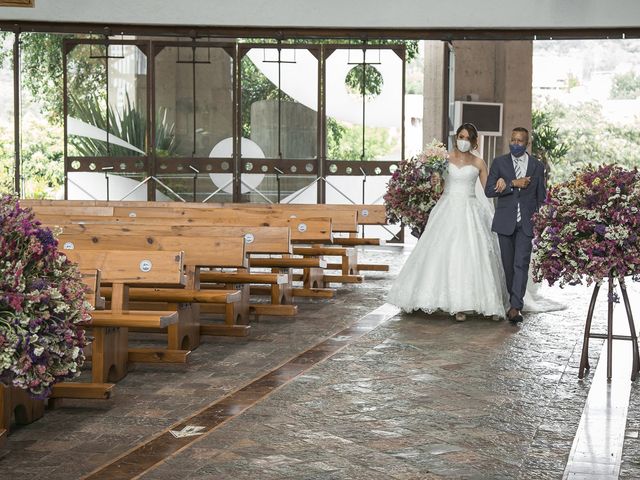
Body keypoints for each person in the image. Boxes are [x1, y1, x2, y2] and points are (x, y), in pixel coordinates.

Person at [387, 123, 509, 321]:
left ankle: (463, 304)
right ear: (456, 138)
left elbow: (488, 191)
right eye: (461, 136)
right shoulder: (444, 159)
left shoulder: (479, 163)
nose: (463, 140)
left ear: (474, 141)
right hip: (447, 208)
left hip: (470, 210)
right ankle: (433, 299)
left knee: (466, 254)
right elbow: (437, 184)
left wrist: (502, 184)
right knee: (440, 252)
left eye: (468, 138)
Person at [485, 127, 547, 324]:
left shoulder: (537, 166)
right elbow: (488, 190)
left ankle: (515, 307)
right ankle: (512, 299)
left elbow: (541, 197)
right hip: (505, 222)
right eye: (513, 140)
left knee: (521, 264)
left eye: (520, 141)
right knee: (508, 266)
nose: (515, 144)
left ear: (527, 144)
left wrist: (541, 222)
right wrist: (512, 184)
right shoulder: (499, 163)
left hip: (526, 224)